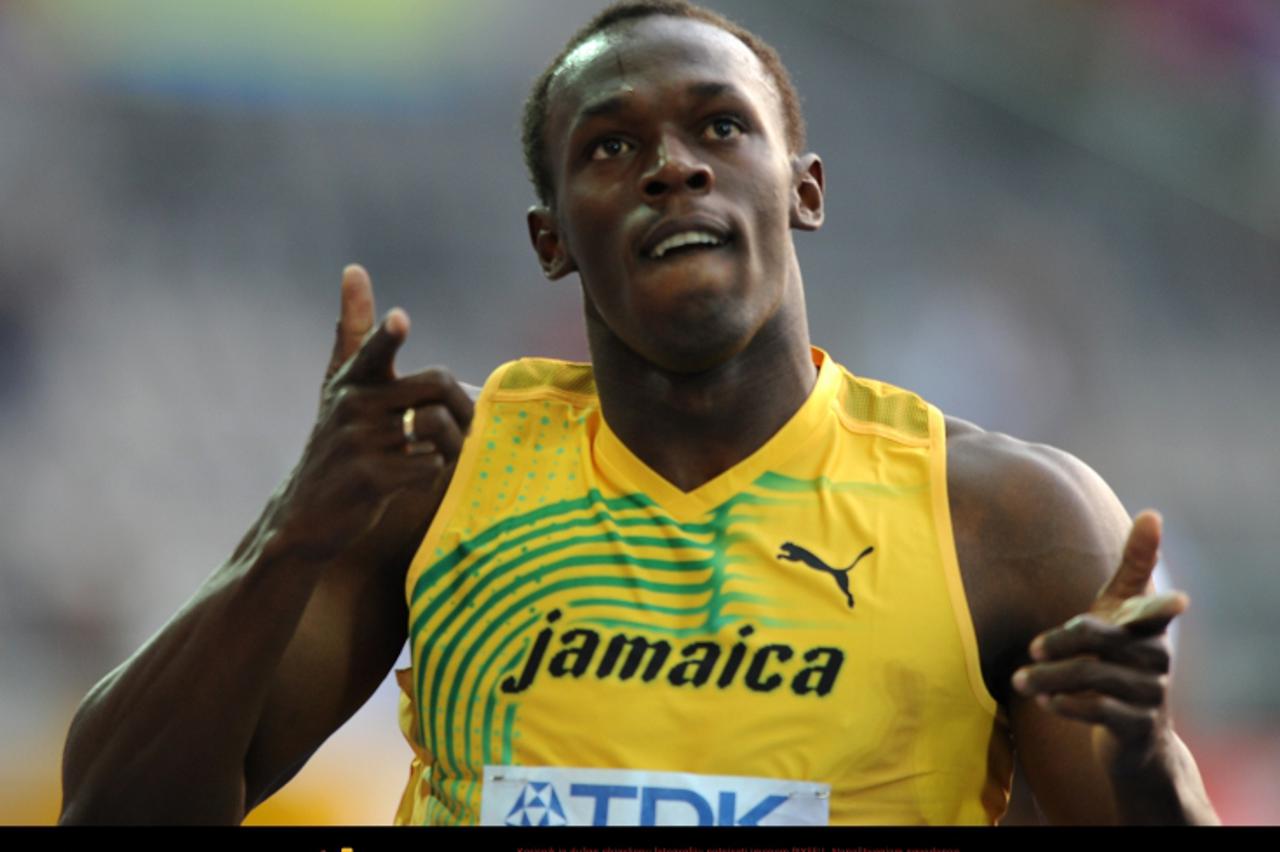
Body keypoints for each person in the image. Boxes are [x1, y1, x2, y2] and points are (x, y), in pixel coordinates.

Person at [59, 0, 1218, 826]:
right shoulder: (442, 476)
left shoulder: (1006, 520)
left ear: (803, 190)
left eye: (720, 127)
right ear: (550, 236)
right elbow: (112, 809)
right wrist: (286, 543)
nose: (673, 167)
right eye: (611, 145)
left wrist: (1144, 759)